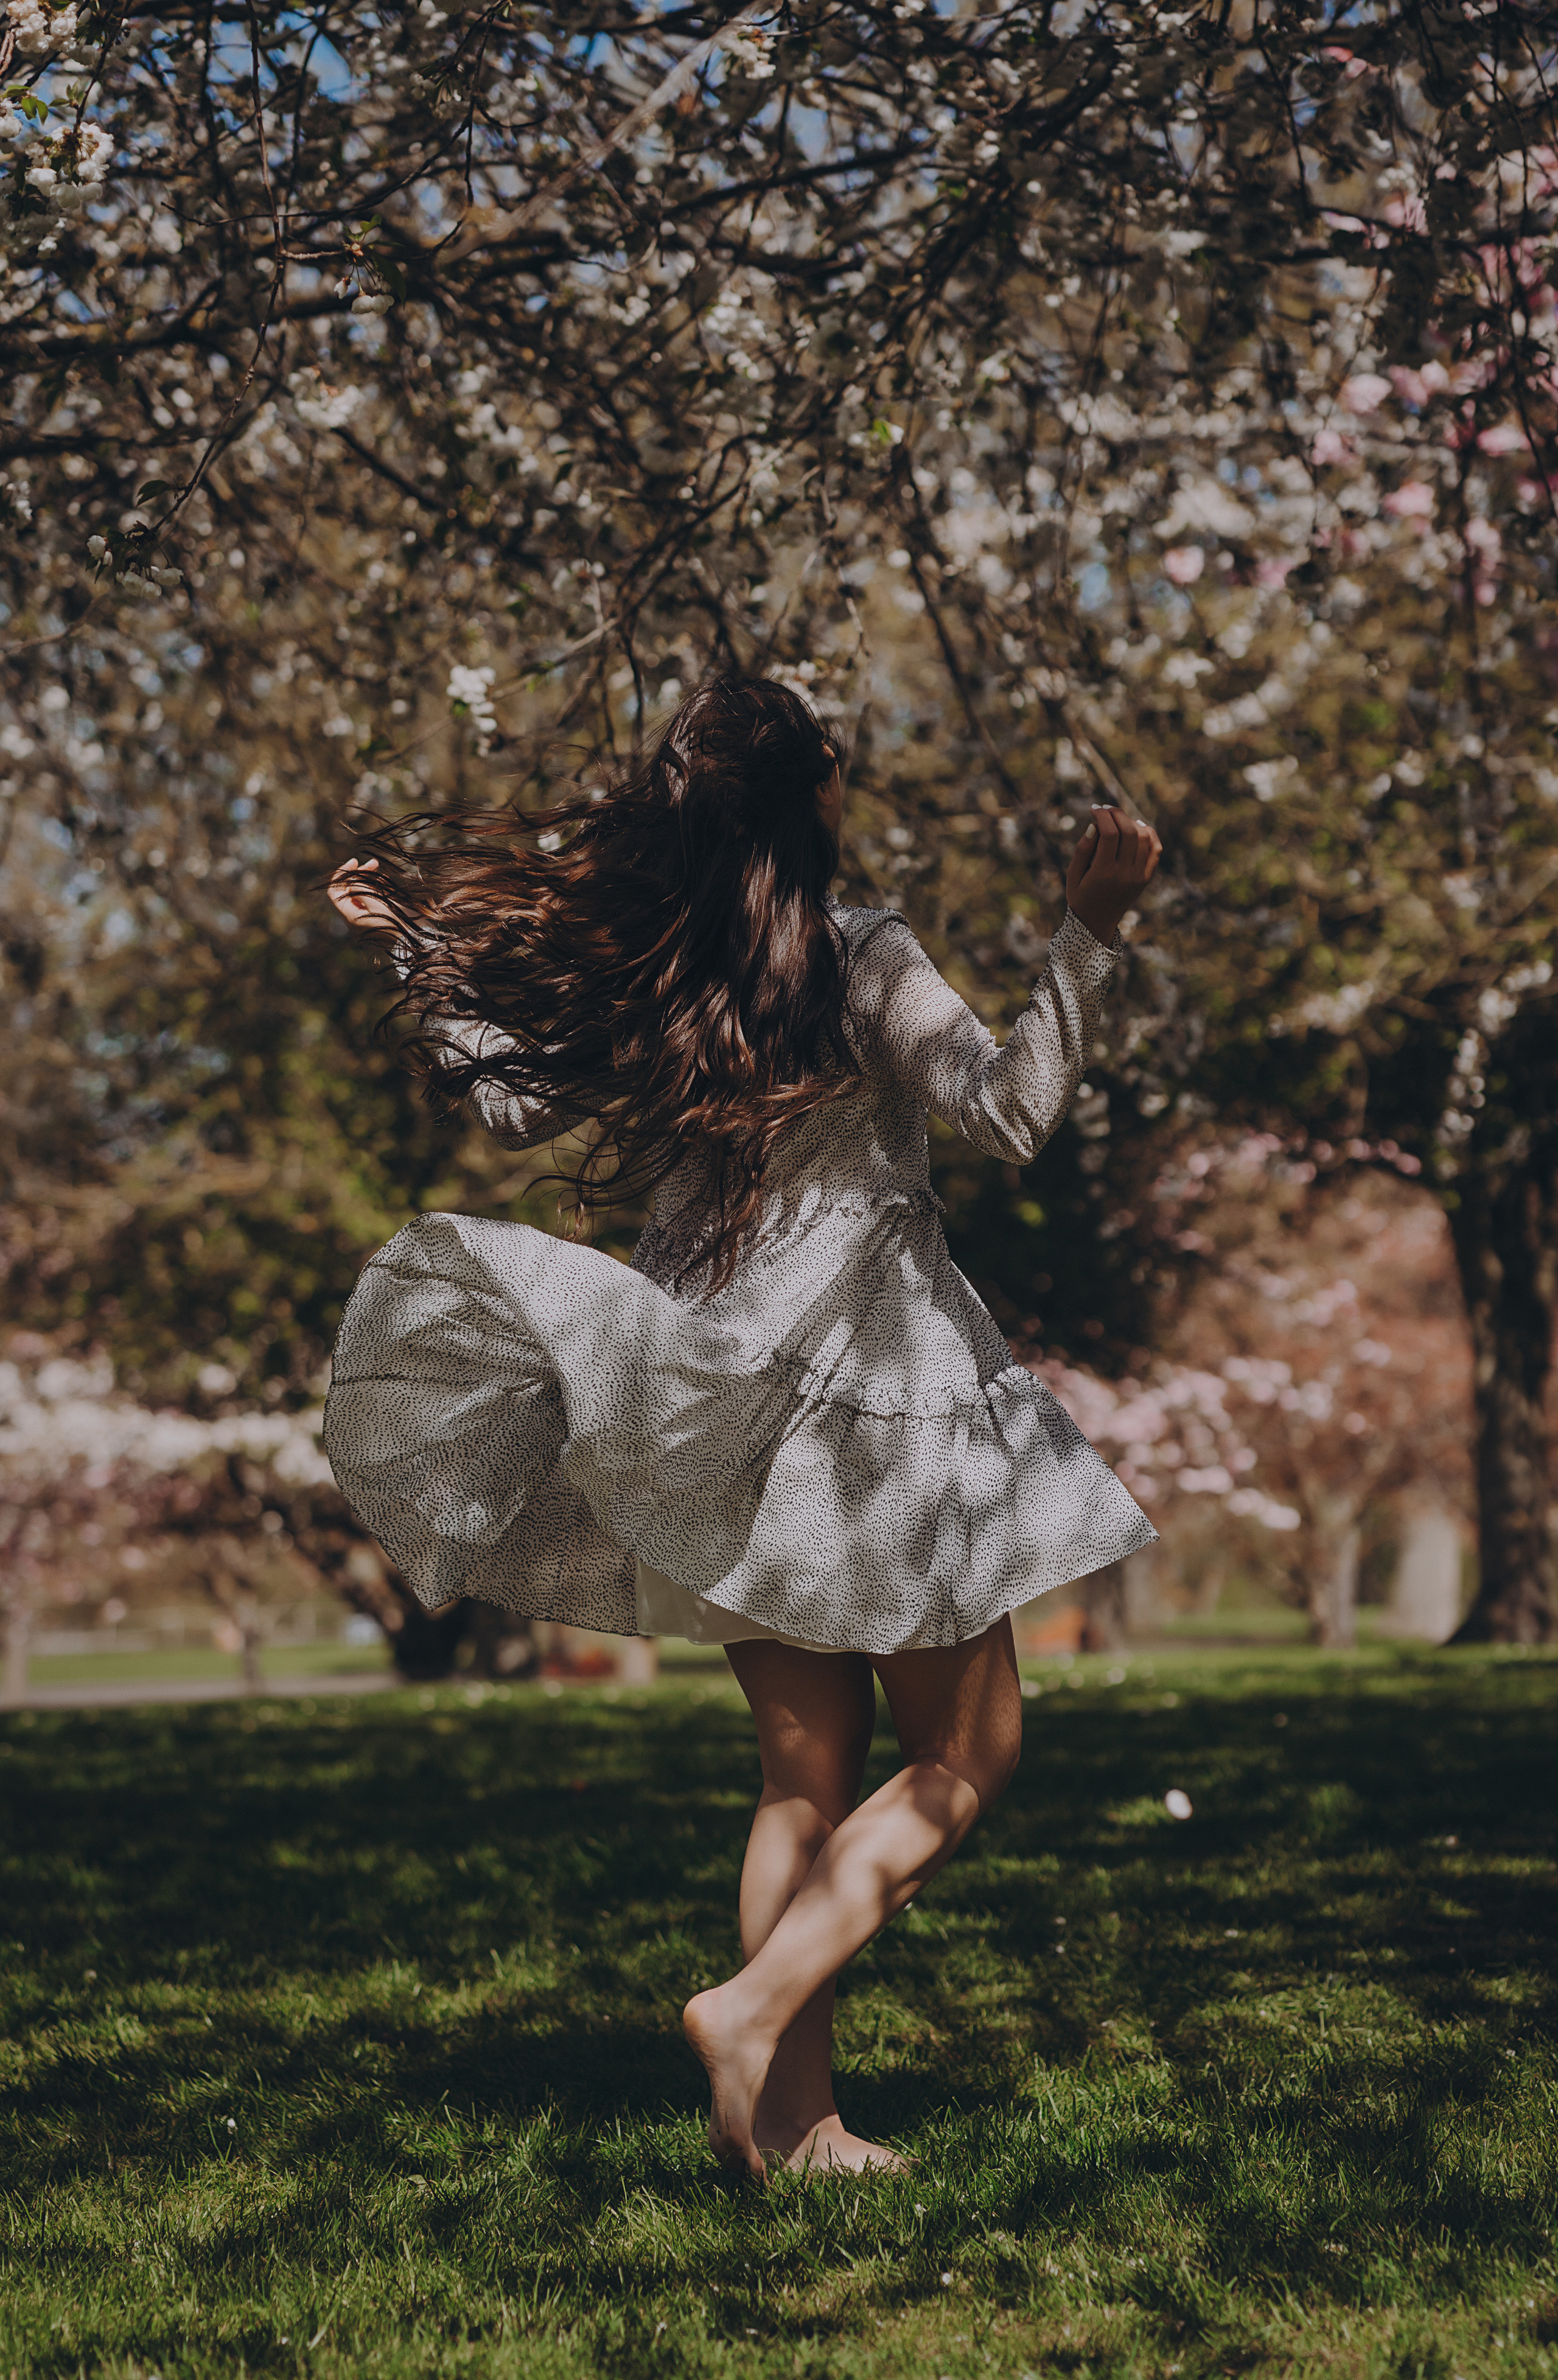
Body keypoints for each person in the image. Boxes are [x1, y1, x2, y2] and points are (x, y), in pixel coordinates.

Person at [323, 677, 1161, 2181]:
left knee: (800, 1772)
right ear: (817, 796)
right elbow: (1009, 1109)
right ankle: (751, 2010)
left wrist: (420, 951)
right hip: (877, 1402)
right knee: (968, 1753)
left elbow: (506, 1106)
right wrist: (1087, 932)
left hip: (709, 1395)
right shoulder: (859, 959)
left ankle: (790, 2131)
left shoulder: (663, 980)